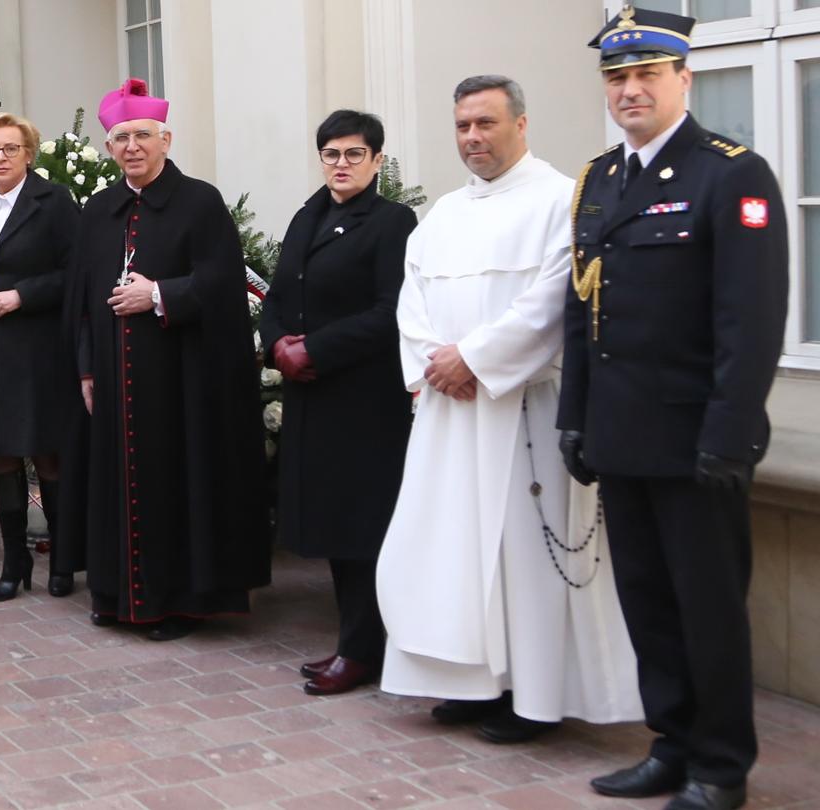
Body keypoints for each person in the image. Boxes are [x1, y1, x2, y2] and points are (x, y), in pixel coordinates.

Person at [563, 9, 788, 810]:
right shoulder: (600, 181)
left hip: (699, 441)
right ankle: (673, 744)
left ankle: (721, 766)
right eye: (617, 78)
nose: (629, 90)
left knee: (709, 612)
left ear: (682, 79)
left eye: (645, 75)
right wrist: (574, 416)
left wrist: (730, 432)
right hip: (623, 435)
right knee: (649, 607)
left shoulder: (731, 173)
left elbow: (751, 320)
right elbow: (582, 311)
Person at [377, 75, 642, 747]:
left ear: (521, 125)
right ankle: (472, 681)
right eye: (463, 125)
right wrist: (436, 360)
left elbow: (556, 301)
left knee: (521, 557)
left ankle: (533, 697)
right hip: (450, 412)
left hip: (523, 406)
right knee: (454, 550)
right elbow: (411, 303)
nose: (473, 137)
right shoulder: (442, 214)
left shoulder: (559, 201)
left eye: (486, 123)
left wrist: (477, 360)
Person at [71, 78, 270, 641]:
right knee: (119, 483)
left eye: (142, 136)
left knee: (176, 484)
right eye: (120, 138)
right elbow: (81, 299)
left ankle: (177, 602)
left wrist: (158, 294)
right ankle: (117, 596)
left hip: (182, 380)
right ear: (109, 148)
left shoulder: (199, 202)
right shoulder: (99, 209)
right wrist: (86, 366)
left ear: (166, 139)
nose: (131, 146)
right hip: (113, 375)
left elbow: (224, 282)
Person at [258, 110, 417, 696]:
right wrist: (277, 342)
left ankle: (363, 649)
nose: (341, 164)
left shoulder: (392, 221)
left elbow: (390, 311)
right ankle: (353, 642)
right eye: (331, 154)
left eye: (354, 154)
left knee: (362, 527)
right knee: (331, 520)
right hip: (310, 394)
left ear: (376, 160)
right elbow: (277, 293)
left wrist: (316, 349)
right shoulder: (309, 214)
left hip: (361, 399)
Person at [0, 112, 79, 602]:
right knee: (2, 455)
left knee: (46, 453)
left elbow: (74, 271)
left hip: (37, 345)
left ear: (29, 154)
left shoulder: (53, 202)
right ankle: (13, 561)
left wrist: (22, 295)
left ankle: (63, 560)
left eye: (10, 149)